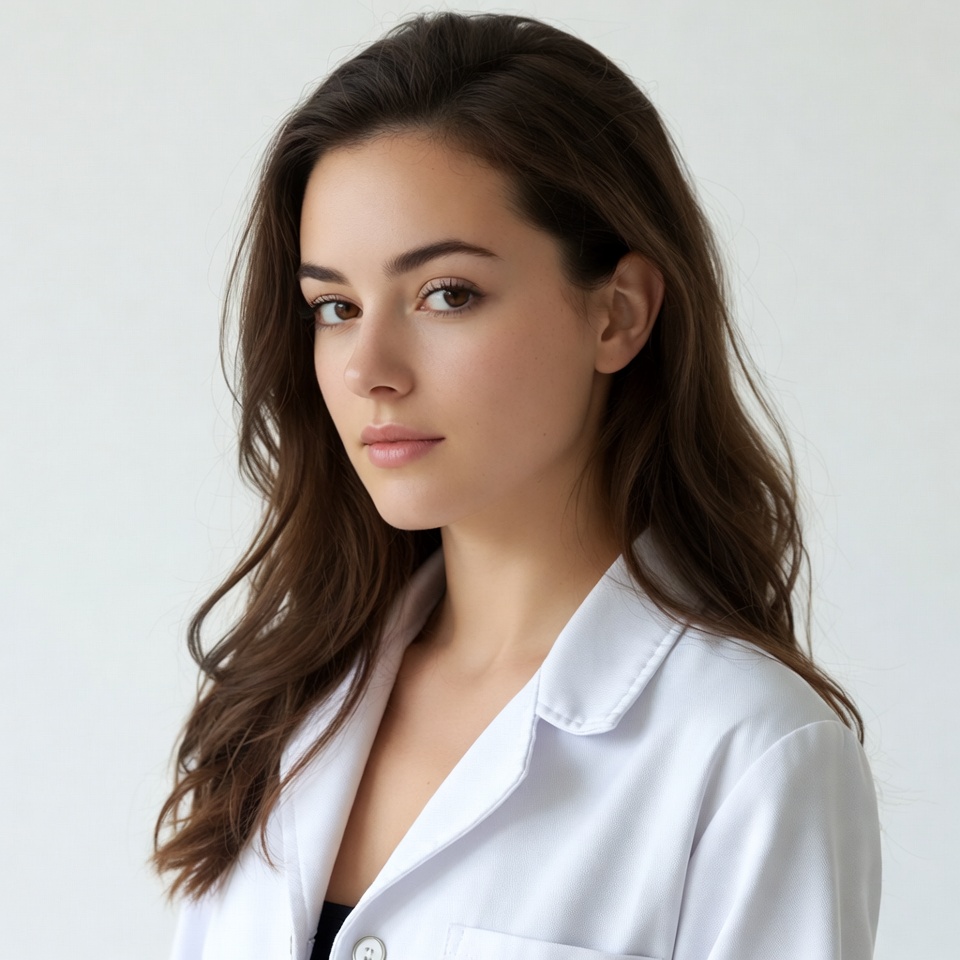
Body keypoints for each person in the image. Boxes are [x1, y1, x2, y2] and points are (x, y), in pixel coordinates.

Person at [154, 11, 881, 960]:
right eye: (334, 307)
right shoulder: (282, 707)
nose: (369, 366)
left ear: (618, 315)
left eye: (446, 293)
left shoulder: (749, 753)